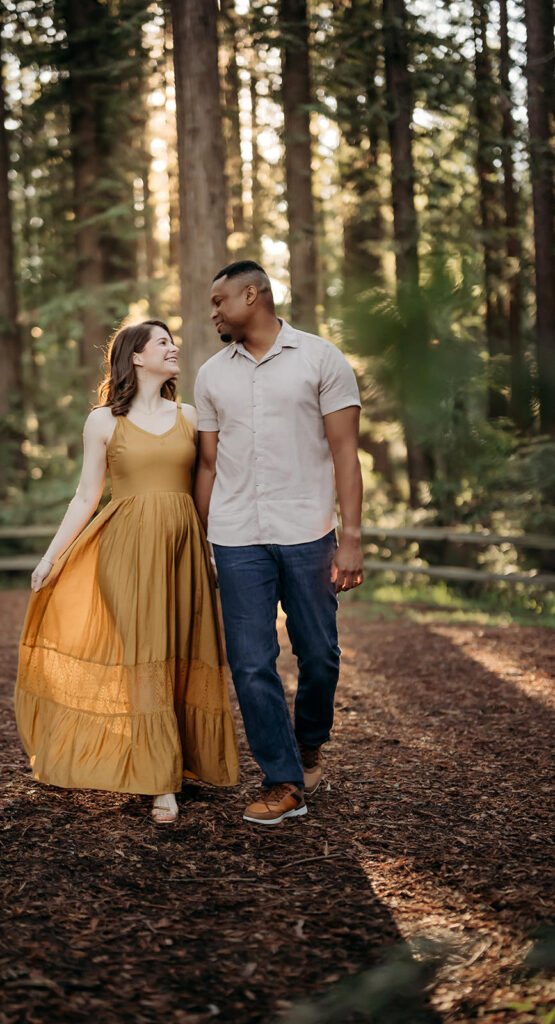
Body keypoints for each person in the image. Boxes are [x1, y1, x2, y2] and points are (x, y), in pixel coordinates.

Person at [15, 319, 239, 825]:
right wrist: (51, 556)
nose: (173, 347)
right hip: (126, 551)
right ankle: (159, 782)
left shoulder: (191, 414)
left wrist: (212, 548)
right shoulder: (103, 421)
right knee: (146, 654)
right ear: (135, 356)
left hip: (184, 549)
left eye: (172, 341)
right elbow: (85, 496)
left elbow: (211, 483)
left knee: (183, 651)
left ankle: (180, 763)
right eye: (162, 342)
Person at [194, 261, 364, 826]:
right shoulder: (212, 374)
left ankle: (310, 742)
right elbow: (210, 464)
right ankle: (283, 781)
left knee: (319, 653)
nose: (213, 311)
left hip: (308, 532)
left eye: (220, 301)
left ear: (252, 294)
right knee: (250, 663)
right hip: (237, 536)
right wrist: (204, 540)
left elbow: (345, 452)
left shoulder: (322, 358)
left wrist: (352, 538)